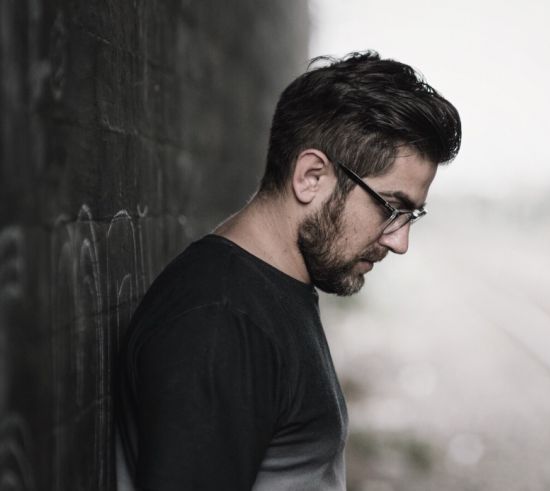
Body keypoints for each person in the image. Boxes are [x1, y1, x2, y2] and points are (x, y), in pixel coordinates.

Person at [115, 51, 461, 490]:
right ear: (311, 176)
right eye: (392, 209)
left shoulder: (268, 293)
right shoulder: (221, 323)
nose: (400, 241)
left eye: (411, 217)